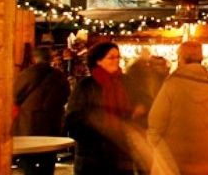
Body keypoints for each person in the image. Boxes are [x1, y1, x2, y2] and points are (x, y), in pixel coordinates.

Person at [148, 41, 208, 175]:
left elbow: (155, 123)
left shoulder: (172, 86)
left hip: (175, 160)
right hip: (206, 160)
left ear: (181, 59)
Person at [65, 41, 135, 175]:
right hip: (93, 157)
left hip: (121, 154)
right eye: (111, 57)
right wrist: (95, 139)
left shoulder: (126, 82)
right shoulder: (86, 86)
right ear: (98, 61)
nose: (116, 61)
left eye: (117, 57)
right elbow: (73, 120)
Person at [14, 45, 71, 175]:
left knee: (29, 164)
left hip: (28, 125)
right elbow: (66, 96)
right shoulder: (59, 76)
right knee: (48, 163)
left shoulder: (26, 74)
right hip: (51, 126)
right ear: (50, 58)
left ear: (34, 58)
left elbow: (14, 95)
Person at [123, 47, 162, 129]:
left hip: (146, 104)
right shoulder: (138, 69)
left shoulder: (146, 69)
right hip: (143, 105)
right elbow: (136, 88)